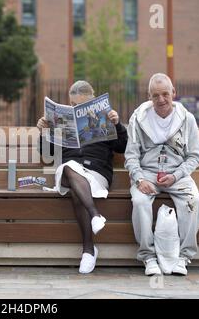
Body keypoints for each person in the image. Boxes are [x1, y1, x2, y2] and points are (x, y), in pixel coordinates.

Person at [37, 80, 128, 274]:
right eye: (73, 105)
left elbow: (123, 147)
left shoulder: (104, 118)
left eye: (81, 106)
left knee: (76, 189)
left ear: (92, 101)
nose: (75, 109)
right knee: (70, 167)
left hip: (96, 173)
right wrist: (45, 131)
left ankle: (88, 249)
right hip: (68, 173)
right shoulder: (62, 123)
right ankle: (95, 214)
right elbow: (47, 154)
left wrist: (117, 125)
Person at [125, 73, 199, 276]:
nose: (161, 100)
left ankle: (184, 257)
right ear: (149, 96)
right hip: (147, 174)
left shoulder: (187, 119)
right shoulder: (138, 118)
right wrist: (139, 179)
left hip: (178, 174)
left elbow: (194, 156)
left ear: (173, 93)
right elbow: (131, 156)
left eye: (165, 94)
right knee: (140, 202)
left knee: (193, 200)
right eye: (155, 95)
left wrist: (176, 176)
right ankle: (148, 257)